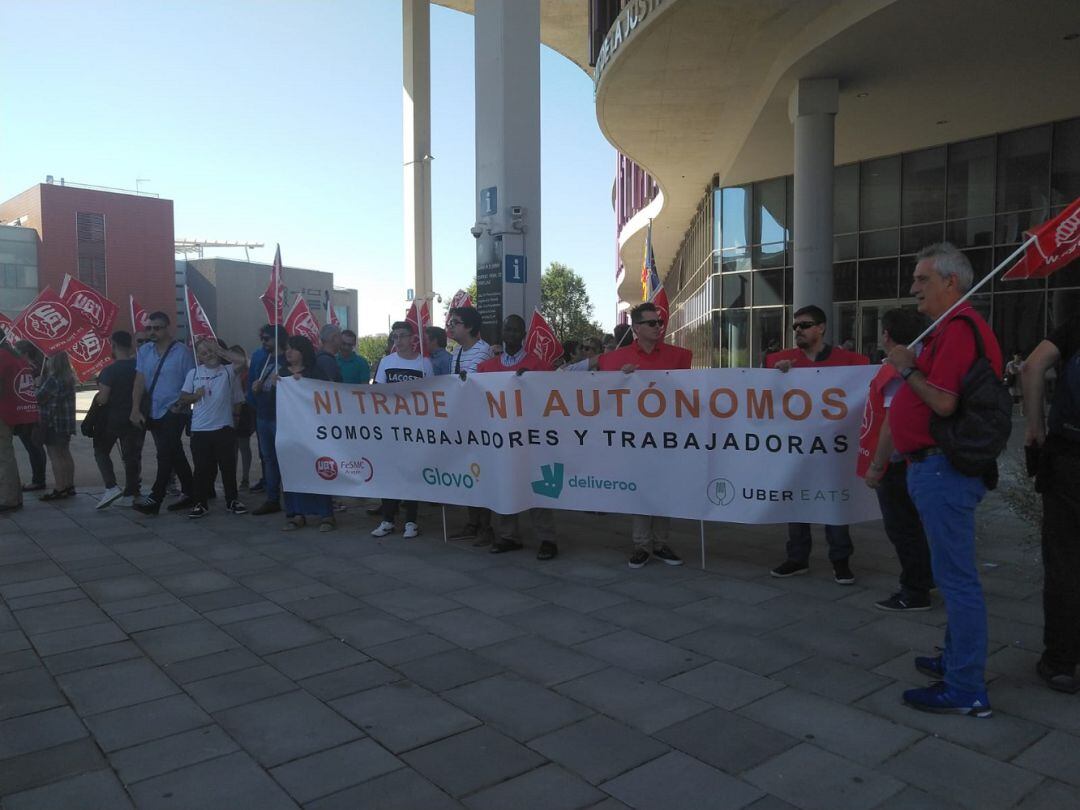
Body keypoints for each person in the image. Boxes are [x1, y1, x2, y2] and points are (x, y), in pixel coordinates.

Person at [886, 242, 1002, 717]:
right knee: (954, 576)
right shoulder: (951, 329)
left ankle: (965, 687)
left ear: (950, 282)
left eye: (922, 280)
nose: (914, 288)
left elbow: (943, 402)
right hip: (934, 467)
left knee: (957, 581)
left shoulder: (958, 327)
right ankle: (957, 661)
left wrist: (907, 366)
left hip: (943, 468)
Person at [766, 304, 869, 584]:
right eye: (795, 326)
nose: (798, 330)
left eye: (805, 325)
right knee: (796, 502)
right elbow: (764, 399)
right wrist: (777, 377)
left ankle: (840, 560)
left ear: (821, 328)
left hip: (834, 449)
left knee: (833, 502)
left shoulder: (850, 362)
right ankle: (797, 557)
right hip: (796, 448)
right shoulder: (780, 361)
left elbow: (868, 387)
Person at [598, 301, 692, 569]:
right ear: (636, 328)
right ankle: (641, 545)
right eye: (652, 323)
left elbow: (688, 392)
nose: (658, 327)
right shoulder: (616, 360)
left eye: (659, 322)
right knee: (641, 488)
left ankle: (661, 543)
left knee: (664, 488)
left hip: (668, 434)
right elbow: (603, 395)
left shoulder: (679, 357)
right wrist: (621, 378)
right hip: (635, 436)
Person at [1021, 314, 1080, 694]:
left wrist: (1034, 427)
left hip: (1069, 459)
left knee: (1064, 560)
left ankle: (1060, 662)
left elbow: (1032, 366)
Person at [861, 309, 934, 612]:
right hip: (916, 457)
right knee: (915, 526)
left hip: (898, 462)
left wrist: (877, 467)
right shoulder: (918, 361)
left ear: (887, 335)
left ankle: (914, 590)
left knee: (902, 528)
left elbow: (892, 422)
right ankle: (925, 577)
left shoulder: (897, 370)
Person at [477, 314, 560, 559]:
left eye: (515, 330)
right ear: (502, 333)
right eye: (507, 329)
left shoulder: (539, 366)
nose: (510, 334)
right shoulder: (486, 368)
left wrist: (533, 381)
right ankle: (508, 536)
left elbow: (554, 396)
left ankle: (547, 539)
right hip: (501, 439)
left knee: (538, 487)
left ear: (523, 335)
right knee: (505, 485)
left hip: (531, 440)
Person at [370, 321, 434, 539]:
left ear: (412, 338)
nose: (398, 340)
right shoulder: (387, 361)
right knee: (389, 473)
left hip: (414, 429)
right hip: (390, 427)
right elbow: (378, 390)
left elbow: (432, 393)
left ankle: (411, 521)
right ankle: (387, 519)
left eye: (403, 336)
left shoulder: (424, 363)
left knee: (411, 474)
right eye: (395, 336)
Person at [131, 311, 197, 515]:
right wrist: (134, 408)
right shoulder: (144, 352)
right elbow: (139, 381)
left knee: (165, 452)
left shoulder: (182, 352)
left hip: (176, 409)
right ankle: (192, 491)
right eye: (149, 328)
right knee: (174, 452)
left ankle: (155, 497)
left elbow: (192, 380)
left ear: (168, 329)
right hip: (153, 409)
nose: (152, 332)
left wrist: (181, 404)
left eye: (157, 328)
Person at [178, 339, 247, 518]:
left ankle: (232, 500)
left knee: (228, 466)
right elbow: (183, 397)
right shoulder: (194, 373)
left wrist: (221, 351)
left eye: (210, 350)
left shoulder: (227, 371)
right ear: (199, 357)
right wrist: (195, 395)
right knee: (201, 468)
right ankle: (200, 503)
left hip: (223, 427)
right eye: (203, 352)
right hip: (200, 429)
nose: (208, 354)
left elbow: (242, 362)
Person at [275, 335, 335, 532]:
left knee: (319, 470)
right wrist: (270, 386)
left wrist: (305, 385)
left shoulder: (315, 372)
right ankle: (296, 514)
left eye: (293, 348)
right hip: (290, 431)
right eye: (287, 348)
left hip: (313, 432)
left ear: (303, 352)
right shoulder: (281, 373)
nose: (288, 352)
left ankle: (326, 514)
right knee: (293, 471)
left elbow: (329, 397)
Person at [446, 305, 495, 544]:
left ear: (470, 326)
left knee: (481, 473)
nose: (450, 326)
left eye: (455, 322)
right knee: (467, 471)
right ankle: (472, 522)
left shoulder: (484, 352)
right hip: (461, 421)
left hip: (480, 422)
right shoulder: (455, 353)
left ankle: (486, 527)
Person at [93, 331, 145, 509]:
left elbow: (103, 399)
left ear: (113, 345)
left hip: (114, 420)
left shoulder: (109, 370)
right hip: (137, 418)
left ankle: (111, 486)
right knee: (132, 457)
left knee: (100, 450)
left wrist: (98, 394)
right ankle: (132, 492)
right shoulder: (140, 366)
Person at [249, 326, 287, 511]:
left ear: (277, 339)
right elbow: (257, 387)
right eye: (262, 338)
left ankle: (290, 498)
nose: (263, 342)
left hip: (280, 417)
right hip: (263, 416)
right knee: (269, 458)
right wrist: (256, 389)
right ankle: (272, 498)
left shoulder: (287, 362)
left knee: (284, 458)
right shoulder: (265, 360)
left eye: (266, 339)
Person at [1, 330, 39, 512]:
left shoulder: (2, 357)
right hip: (13, 411)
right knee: (7, 455)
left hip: (3, 411)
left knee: (3, 457)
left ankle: (8, 498)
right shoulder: (15, 356)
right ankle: (14, 495)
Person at [34, 352, 77, 500]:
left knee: (55, 455)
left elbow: (38, 398)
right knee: (65, 453)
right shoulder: (69, 378)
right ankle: (69, 485)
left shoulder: (53, 379)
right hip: (66, 423)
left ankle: (60, 488)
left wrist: (37, 385)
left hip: (53, 423)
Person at [13, 341, 47, 492]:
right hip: (29, 412)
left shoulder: (29, 368)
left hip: (28, 412)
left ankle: (38, 480)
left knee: (33, 447)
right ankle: (39, 479)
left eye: (16, 350)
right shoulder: (35, 367)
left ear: (24, 353)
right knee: (34, 447)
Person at [229, 344, 255, 490]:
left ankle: (245, 478)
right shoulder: (227, 370)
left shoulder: (248, 370)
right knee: (232, 446)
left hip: (244, 409)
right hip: (229, 408)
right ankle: (232, 475)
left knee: (244, 445)